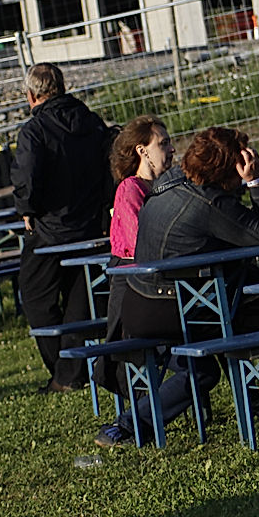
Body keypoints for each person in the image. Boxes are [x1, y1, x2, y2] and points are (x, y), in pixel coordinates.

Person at [94, 127, 259, 447]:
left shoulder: (167, 184)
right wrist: (255, 183)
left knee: (205, 369)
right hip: (176, 307)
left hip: (139, 303)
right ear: (228, 167)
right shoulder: (210, 203)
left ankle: (126, 426)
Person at [10, 62, 112, 394]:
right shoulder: (92, 122)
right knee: (79, 299)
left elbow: (27, 175)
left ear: (31, 95)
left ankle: (63, 371)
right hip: (92, 227)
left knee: (36, 296)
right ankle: (72, 370)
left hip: (51, 230)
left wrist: (27, 209)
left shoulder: (34, 130)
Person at [94, 115, 176, 394]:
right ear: (142, 151)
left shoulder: (169, 185)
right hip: (133, 283)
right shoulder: (130, 189)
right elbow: (141, 243)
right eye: (163, 143)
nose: (172, 149)